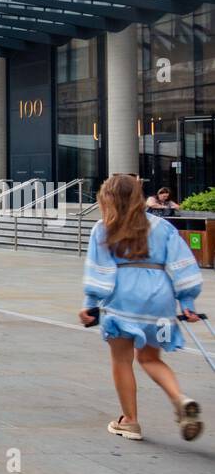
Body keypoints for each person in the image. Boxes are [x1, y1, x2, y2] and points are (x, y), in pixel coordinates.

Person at [80, 174, 203, 441]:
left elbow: (99, 271)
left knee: (122, 360)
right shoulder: (163, 227)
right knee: (149, 358)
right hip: (159, 298)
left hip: (123, 298)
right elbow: (183, 264)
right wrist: (188, 302)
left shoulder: (103, 228)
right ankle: (180, 399)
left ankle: (130, 421)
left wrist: (90, 305)